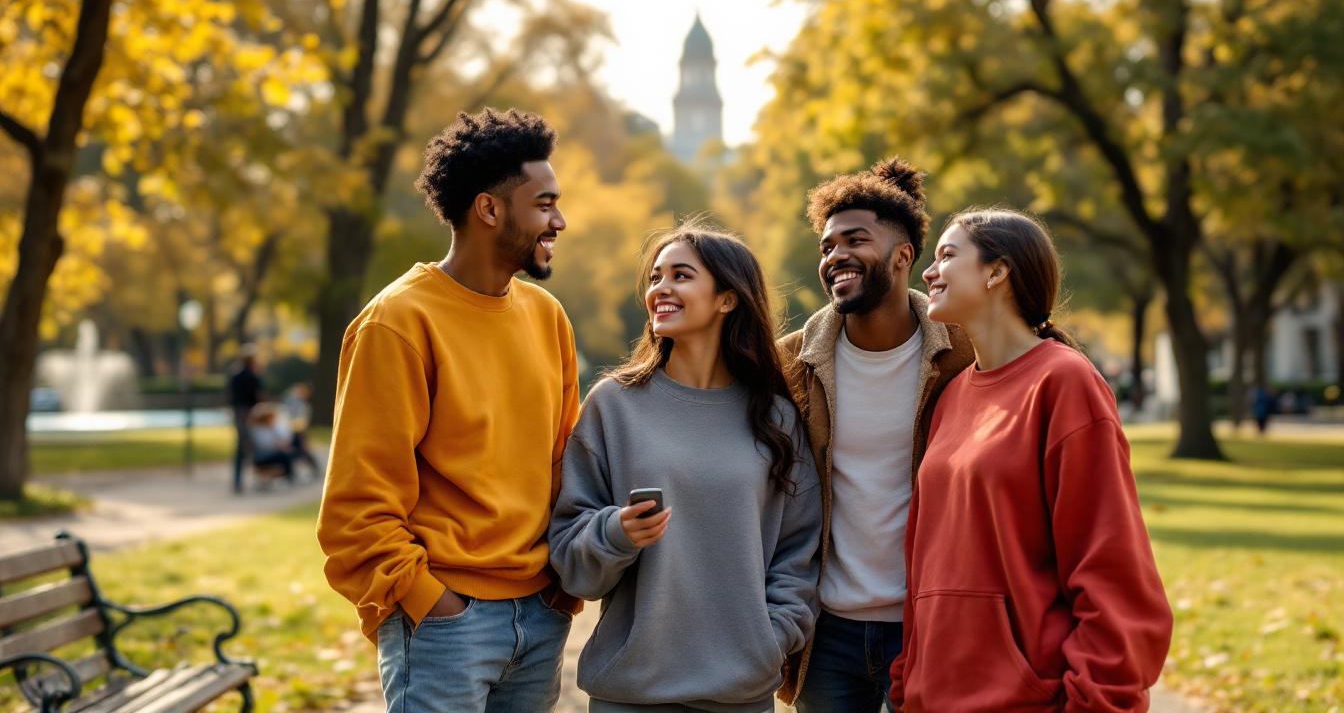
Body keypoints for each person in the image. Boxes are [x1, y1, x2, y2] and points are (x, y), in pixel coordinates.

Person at [316, 108, 580, 713]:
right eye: (544, 204)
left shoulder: (546, 318)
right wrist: (428, 601)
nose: (559, 221)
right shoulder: (399, 323)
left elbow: (567, 462)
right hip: (444, 626)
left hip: (540, 618)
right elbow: (356, 505)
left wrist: (560, 590)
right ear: (489, 210)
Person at [891, 208, 1172, 711]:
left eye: (947, 256)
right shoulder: (951, 395)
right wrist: (907, 681)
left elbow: (1112, 570)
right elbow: (925, 559)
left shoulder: (1064, 382)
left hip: (1025, 699)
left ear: (998, 272)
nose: (929, 273)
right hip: (931, 696)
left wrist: (1095, 701)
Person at [549, 223, 822, 713]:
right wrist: (616, 533)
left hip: (740, 691)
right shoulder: (614, 405)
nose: (660, 289)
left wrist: (771, 638)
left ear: (727, 299)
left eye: (680, 275)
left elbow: (798, 552)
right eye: (655, 277)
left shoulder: (775, 418)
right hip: (631, 692)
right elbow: (570, 560)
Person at [775, 157, 974, 711]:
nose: (836, 255)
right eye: (826, 246)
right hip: (826, 632)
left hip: (927, 624)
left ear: (903, 255)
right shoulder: (791, 364)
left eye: (854, 240)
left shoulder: (964, 352)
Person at [226, 345, 262, 494]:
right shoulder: (252, 376)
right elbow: (257, 397)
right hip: (248, 414)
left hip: (238, 413)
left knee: (242, 447)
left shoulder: (235, 375)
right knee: (249, 446)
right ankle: (258, 477)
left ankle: (239, 480)